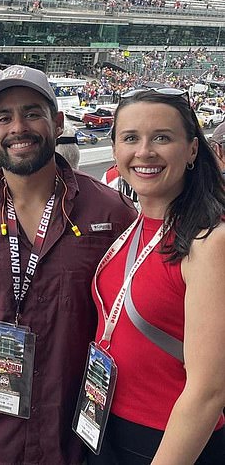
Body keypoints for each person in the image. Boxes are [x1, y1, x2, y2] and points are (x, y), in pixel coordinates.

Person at [0, 65, 136, 465]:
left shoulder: (113, 212)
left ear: (58, 121)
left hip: (76, 441)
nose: (19, 127)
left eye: (32, 112)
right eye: (4, 117)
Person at [90, 88, 225, 464]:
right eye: (130, 138)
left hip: (170, 439)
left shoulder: (211, 240)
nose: (144, 151)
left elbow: (208, 392)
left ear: (193, 150)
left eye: (162, 138)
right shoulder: (136, 224)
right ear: (115, 150)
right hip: (106, 424)